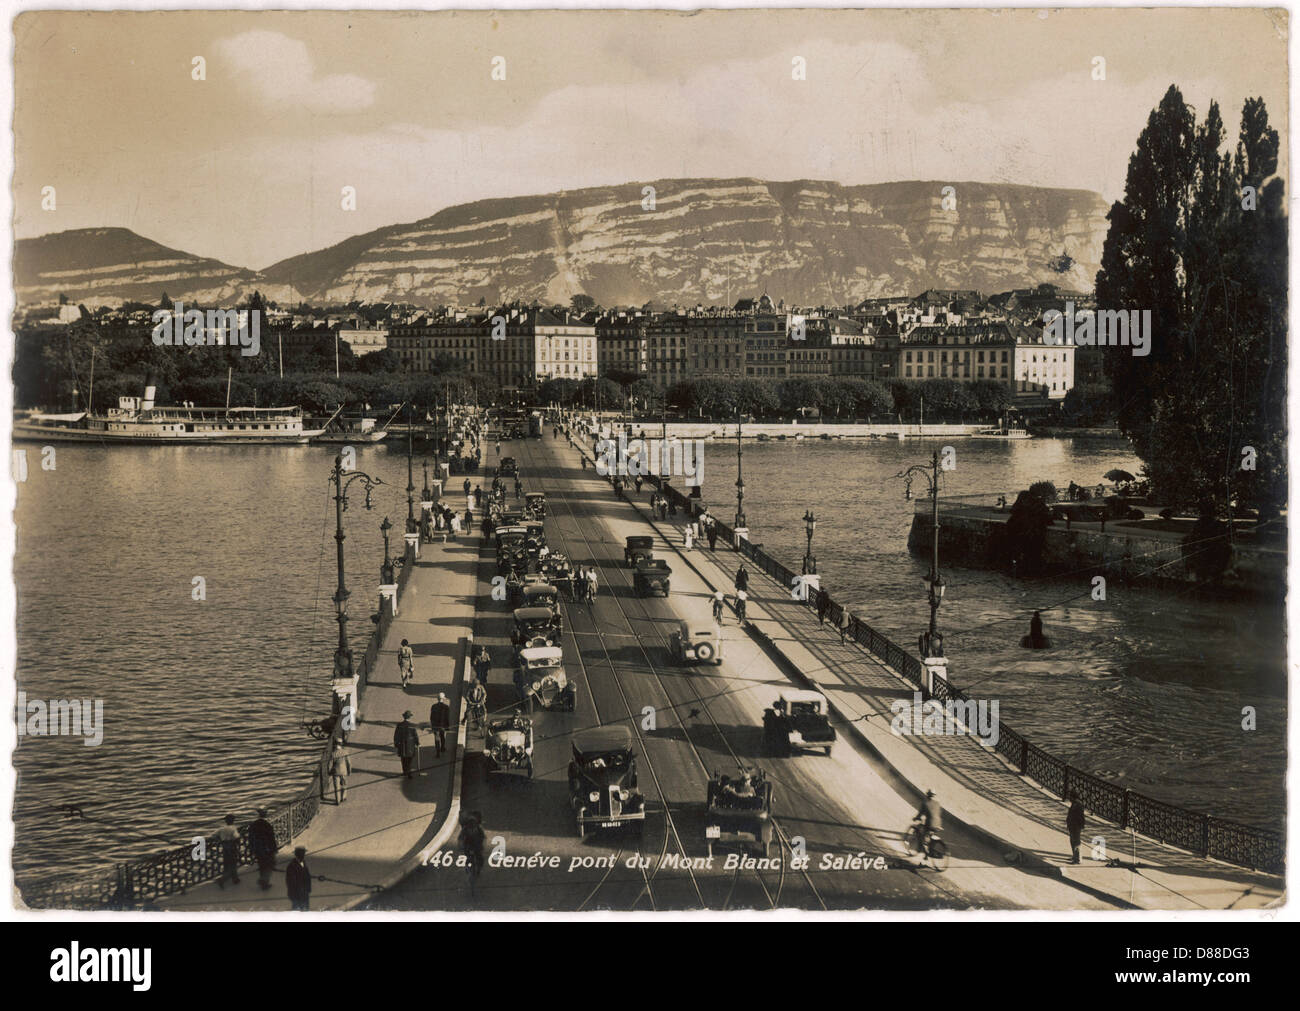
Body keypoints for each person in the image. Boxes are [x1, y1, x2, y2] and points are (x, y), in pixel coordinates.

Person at [248, 806, 277, 890]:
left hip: (257, 848)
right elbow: (271, 838)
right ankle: (264, 880)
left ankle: (264, 883)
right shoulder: (267, 824)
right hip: (267, 848)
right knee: (270, 864)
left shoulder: (254, 824)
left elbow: (251, 837)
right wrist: (274, 848)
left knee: (261, 864)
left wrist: (252, 848)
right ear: (266, 814)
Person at [215, 814, 241, 888]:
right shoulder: (233, 828)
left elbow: (213, 835)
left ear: (225, 821)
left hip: (225, 847)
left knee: (226, 863)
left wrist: (221, 840)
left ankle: (235, 879)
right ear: (233, 820)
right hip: (232, 847)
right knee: (233, 863)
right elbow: (237, 837)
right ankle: (223, 879)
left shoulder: (222, 829)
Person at [913, 789, 942, 854]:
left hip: (930, 824)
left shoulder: (925, 803)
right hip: (938, 824)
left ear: (927, 795)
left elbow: (920, 814)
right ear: (934, 796)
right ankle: (927, 852)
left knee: (923, 835)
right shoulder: (937, 803)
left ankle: (922, 849)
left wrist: (916, 818)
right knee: (930, 836)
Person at [393, 711, 420, 779]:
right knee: (409, 759)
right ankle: (409, 773)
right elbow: (415, 735)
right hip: (410, 745)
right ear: (410, 717)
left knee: (403, 759)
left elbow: (396, 735)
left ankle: (405, 771)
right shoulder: (412, 726)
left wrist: (396, 744)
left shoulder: (399, 725)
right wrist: (417, 743)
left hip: (401, 745)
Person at [285, 846, 311, 911]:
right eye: (301, 854)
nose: (303, 855)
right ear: (297, 855)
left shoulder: (303, 863)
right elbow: (290, 881)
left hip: (304, 892)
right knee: (297, 911)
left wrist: (308, 888)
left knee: (305, 910)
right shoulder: (292, 866)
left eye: (303, 853)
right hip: (296, 893)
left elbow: (307, 876)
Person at [430, 693, 451, 758]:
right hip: (442, 726)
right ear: (443, 699)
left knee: (437, 738)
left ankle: (438, 752)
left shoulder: (433, 706)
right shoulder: (446, 707)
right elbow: (447, 718)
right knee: (442, 736)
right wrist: (447, 727)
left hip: (435, 726)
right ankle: (442, 748)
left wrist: (432, 725)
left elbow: (431, 717)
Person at [1066, 793, 1085, 865]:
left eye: (1070, 797)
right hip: (1072, 826)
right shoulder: (1074, 803)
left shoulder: (1078, 805)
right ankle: (1074, 856)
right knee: (1072, 841)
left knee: (1076, 842)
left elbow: (1080, 817)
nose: (1069, 799)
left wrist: (1080, 826)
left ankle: (1078, 859)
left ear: (1074, 797)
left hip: (1076, 826)